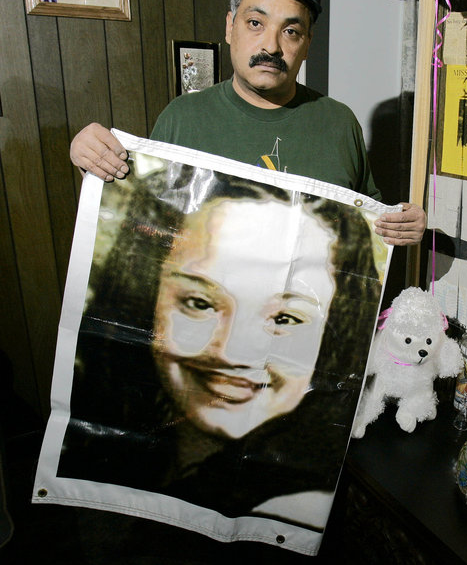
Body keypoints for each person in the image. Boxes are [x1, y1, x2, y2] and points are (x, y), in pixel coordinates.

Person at [58, 166, 381, 524]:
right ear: (146, 300)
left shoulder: (296, 511)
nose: (233, 352)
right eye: (199, 303)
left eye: (285, 318)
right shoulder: (108, 445)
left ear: (336, 333)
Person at [68, 0, 425, 247]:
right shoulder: (183, 117)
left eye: (291, 31)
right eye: (256, 23)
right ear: (230, 26)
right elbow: (143, 218)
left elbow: (370, 225)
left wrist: (404, 225)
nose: (270, 45)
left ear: (307, 43)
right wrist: (94, 161)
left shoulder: (339, 123)